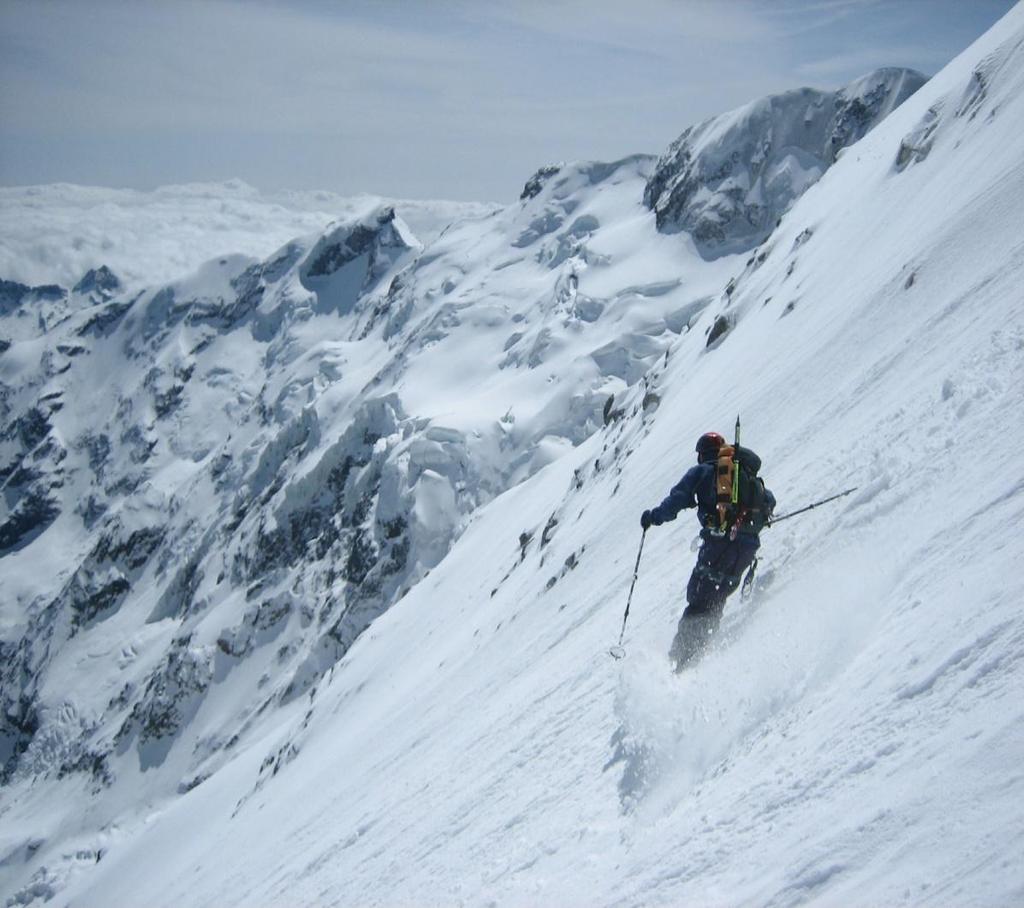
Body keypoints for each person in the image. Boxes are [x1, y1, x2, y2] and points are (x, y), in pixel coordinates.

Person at [641, 431, 775, 671]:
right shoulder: (742, 473)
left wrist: (653, 517)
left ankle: (678, 665)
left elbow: (677, 500)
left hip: (719, 543)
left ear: (702, 454)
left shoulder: (702, 471)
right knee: (716, 599)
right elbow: (769, 501)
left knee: (700, 598)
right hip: (746, 548)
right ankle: (699, 659)